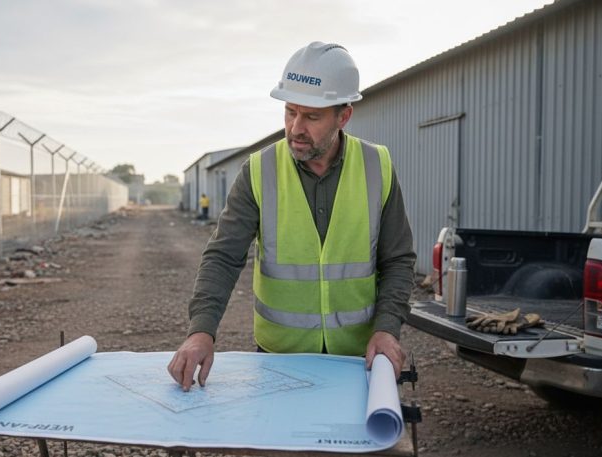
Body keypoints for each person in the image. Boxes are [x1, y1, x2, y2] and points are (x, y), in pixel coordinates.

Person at [168, 42, 416, 391]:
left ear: (343, 116)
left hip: (357, 359)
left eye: (312, 116)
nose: (296, 128)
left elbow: (398, 260)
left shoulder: (377, 166)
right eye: (290, 112)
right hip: (278, 360)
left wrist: (387, 328)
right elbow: (223, 257)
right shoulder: (259, 171)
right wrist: (201, 331)